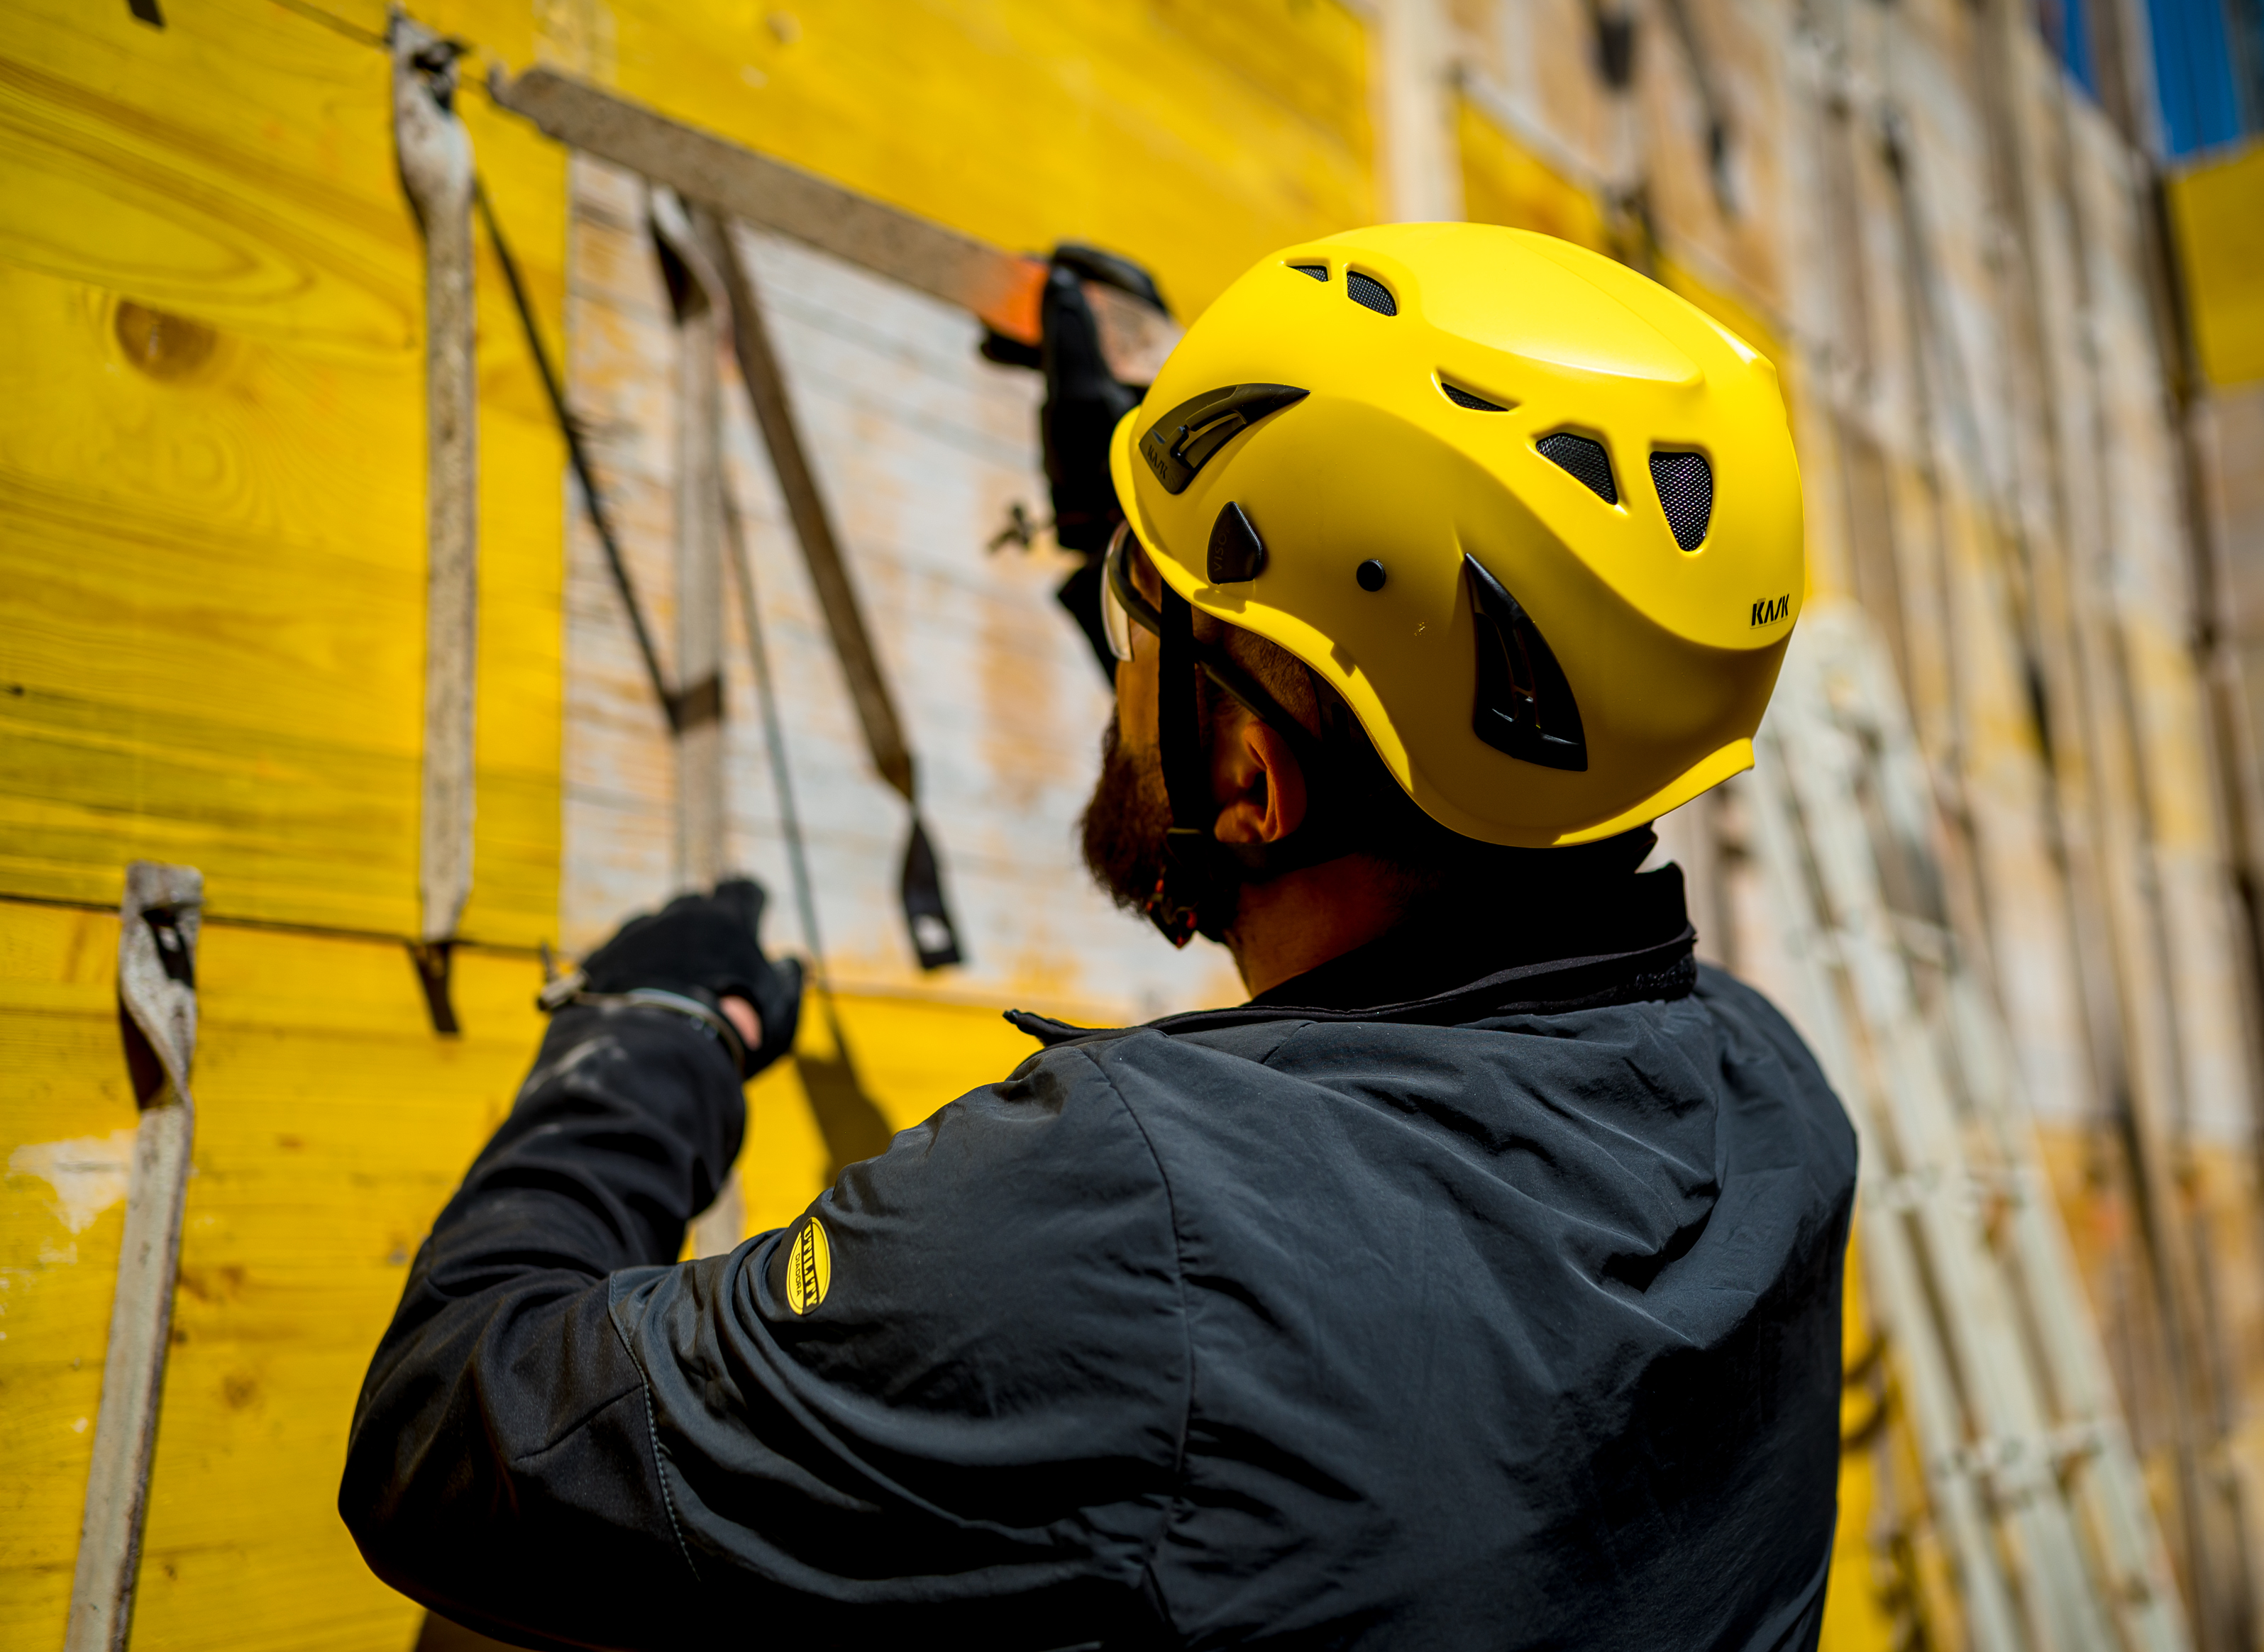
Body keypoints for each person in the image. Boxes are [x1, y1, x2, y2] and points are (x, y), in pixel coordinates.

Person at [341, 223, 1857, 1650]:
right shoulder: (1762, 1095)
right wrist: (1149, 577)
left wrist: (651, 1046)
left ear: (1254, 782)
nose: (1124, 651)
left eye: (1145, 624)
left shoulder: (1122, 1233)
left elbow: (449, 1437)